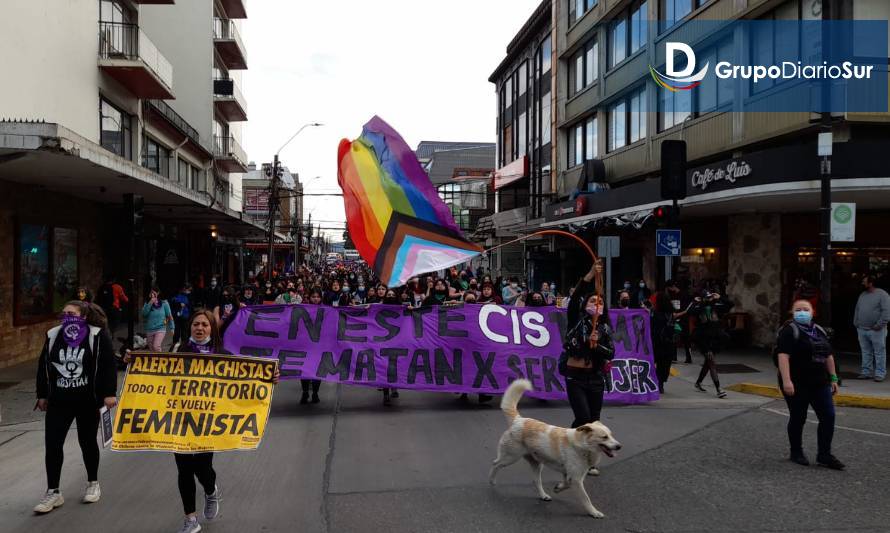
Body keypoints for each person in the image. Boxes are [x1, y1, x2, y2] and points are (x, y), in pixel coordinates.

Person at [34, 300, 117, 514]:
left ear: (83, 316)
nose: (65, 316)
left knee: (87, 441)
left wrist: (108, 393)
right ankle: (53, 491)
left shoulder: (96, 335)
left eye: (70, 313)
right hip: (59, 401)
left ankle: (93, 483)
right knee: (52, 444)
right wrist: (42, 394)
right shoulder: (53, 335)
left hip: (86, 400)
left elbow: (108, 364)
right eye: (63, 313)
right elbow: (44, 365)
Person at [776, 300, 844, 470]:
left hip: (820, 381)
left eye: (805, 309)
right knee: (799, 417)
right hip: (797, 381)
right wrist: (787, 381)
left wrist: (834, 378)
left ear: (813, 312)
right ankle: (796, 451)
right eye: (798, 310)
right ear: (792, 312)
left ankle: (824, 454)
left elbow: (828, 355)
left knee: (828, 416)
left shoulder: (819, 330)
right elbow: (783, 356)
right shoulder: (789, 331)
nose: (802, 312)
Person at [559, 262, 614, 432]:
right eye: (592, 300)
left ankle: (585, 449)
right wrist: (590, 275)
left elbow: (611, 353)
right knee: (583, 418)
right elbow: (575, 298)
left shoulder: (604, 328)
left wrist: (597, 345)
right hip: (575, 378)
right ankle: (569, 442)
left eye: (599, 302)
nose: (597, 303)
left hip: (596, 378)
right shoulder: (577, 321)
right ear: (585, 305)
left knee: (594, 421)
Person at [690, 288, 731, 398]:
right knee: (711, 361)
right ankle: (718, 388)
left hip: (715, 338)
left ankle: (698, 382)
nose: (709, 299)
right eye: (706, 298)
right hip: (703, 339)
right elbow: (691, 311)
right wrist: (696, 302)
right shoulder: (699, 307)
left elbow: (730, 305)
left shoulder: (716, 306)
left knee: (708, 363)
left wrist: (720, 297)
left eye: (710, 297)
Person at [853, 274, 890, 381]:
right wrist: (856, 323)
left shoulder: (883, 295)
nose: (862, 283)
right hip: (862, 328)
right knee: (865, 352)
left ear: (871, 283)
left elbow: (886, 312)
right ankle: (866, 372)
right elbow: (857, 309)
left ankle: (880, 374)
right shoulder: (863, 295)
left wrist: (879, 325)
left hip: (877, 330)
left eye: (864, 281)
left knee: (879, 352)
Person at [301, 289, 324, 404]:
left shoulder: (326, 311)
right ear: (309, 297)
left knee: (317, 370)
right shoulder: (303, 309)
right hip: (305, 345)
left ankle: (315, 393)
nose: (315, 298)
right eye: (313, 296)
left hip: (318, 346)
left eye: (317, 296)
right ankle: (305, 392)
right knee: (303, 370)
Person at [651, 292, 677, 393]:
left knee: (654, 362)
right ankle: (660, 383)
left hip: (657, 342)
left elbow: (653, 327)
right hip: (668, 343)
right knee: (664, 365)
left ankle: (655, 382)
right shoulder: (671, 313)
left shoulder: (656, 313)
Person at [143, 287, 175, 352]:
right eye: (151, 292)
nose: (153, 294)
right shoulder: (147, 303)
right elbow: (144, 314)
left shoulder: (164, 303)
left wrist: (172, 327)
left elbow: (169, 315)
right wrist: (151, 302)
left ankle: (160, 360)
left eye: (154, 292)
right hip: (150, 329)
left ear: (158, 293)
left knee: (156, 346)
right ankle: (154, 361)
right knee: (151, 348)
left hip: (160, 328)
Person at [170, 284, 193, 348]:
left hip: (186, 317)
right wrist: (179, 304)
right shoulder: (177, 295)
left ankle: (184, 347)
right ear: (184, 289)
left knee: (184, 334)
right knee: (176, 333)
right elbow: (172, 302)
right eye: (188, 290)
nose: (189, 291)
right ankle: (174, 347)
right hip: (177, 317)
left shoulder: (189, 296)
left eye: (189, 290)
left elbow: (191, 306)